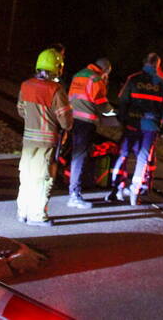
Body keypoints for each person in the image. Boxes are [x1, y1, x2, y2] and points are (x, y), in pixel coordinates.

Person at [16, 47, 73, 226]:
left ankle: (22, 212)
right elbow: (65, 121)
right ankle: (37, 216)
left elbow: (20, 110)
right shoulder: (55, 90)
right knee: (44, 177)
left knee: (26, 175)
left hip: (28, 140)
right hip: (47, 141)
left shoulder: (25, 85)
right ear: (57, 67)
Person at [107, 52, 163, 205]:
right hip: (150, 127)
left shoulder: (133, 79)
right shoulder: (162, 83)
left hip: (132, 123)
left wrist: (122, 119)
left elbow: (123, 101)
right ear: (157, 65)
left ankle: (116, 188)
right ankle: (135, 193)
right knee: (143, 158)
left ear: (144, 63)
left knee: (123, 154)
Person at [66, 57, 117, 208]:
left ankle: (73, 190)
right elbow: (102, 104)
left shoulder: (79, 74)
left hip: (72, 119)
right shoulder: (96, 79)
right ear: (105, 70)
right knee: (80, 158)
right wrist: (114, 120)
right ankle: (74, 195)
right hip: (85, 122)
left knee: (75, 155)